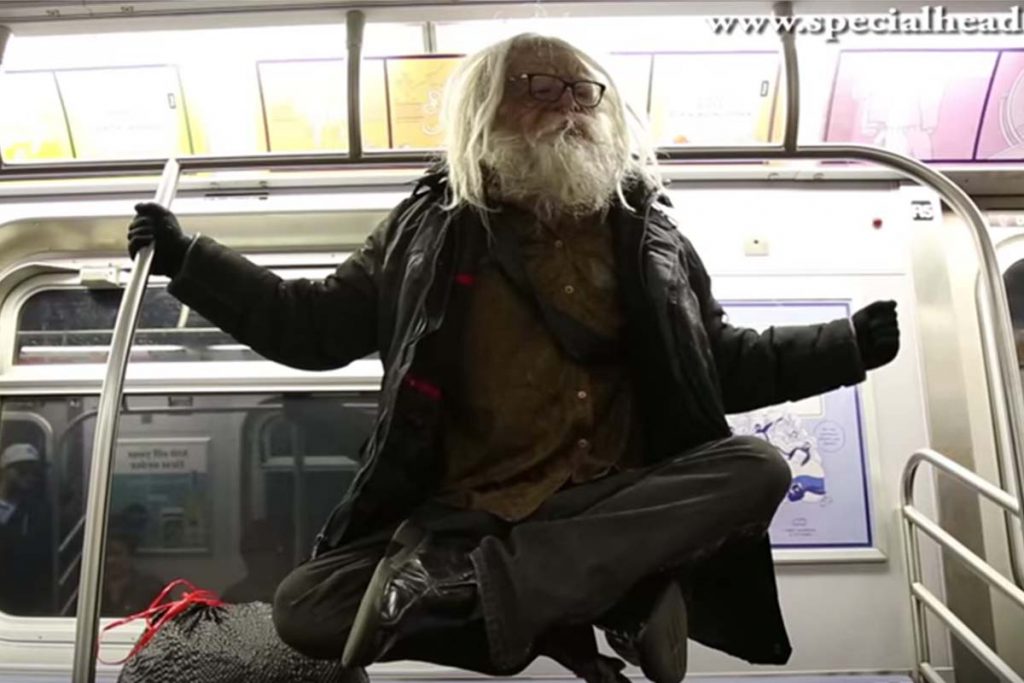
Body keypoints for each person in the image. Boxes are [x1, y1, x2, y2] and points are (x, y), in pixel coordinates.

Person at [126, 33, 900, 683]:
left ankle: (544, 598)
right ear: (484, 109)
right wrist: (192, 260)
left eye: (584, 89)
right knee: (308, 608)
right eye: (538, 84)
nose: (567, 101)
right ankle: (588, 605)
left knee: (756, 466)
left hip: (611, 500)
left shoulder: (652, 240)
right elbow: (312, 329)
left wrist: (843, 346)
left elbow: (720, 363)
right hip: (471, 516)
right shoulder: (423, 232)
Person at [0, 443, 52, 615]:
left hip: (21, 599)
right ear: (5, 471)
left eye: (34, 472)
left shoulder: (36, 511)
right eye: (22, 470)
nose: (29, 477)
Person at [222, 518, 292, 604]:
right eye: (258, 554)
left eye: (267, 552)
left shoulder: (289, 595)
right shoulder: (234, 597)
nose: (263, 560)